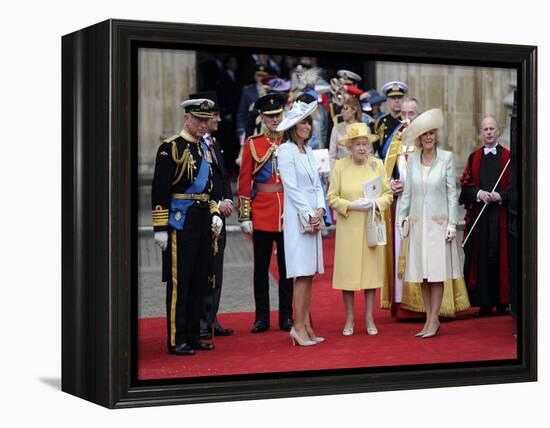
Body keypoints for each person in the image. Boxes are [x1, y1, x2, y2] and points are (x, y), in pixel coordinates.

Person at [151, 97, 223, 355]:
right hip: (180, 222)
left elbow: (211, 188)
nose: (204, 125)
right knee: (180, 281)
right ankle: (176, 338)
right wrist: (159, 228)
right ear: (187, 119)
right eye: (199, 120)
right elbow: (159, 191)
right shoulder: (169, 148)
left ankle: (193, 335)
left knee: (200, 281)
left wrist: (215, 213)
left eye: (206, 120)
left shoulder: (204, 150)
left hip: (203, 218)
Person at [398, 109, 465, 338]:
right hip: (417, 224)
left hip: (438, 225)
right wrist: (401, 219)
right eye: (424, 134)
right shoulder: (413, 159)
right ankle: (428, 318)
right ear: (419, 137)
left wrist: (451, 224)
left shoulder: (446, 158)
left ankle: (434, 319)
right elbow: (407, 193)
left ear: (435, 136)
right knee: (423, 274)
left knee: (436, 273)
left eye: (431, 134)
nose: (428, 137)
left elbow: (452, 194)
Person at [327, 123, 393, 336]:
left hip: (370, 225)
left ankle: (369, 319)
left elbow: (388, 194)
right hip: (348, 227)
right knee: (348, 275)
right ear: (349, 147)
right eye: (358, 145)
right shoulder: (340, 166)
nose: (362, 148)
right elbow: (331, 197)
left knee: (370, 276)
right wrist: (350, 205)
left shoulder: (377, 165)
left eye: (365, 144)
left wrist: (374, 204)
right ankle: (349, 320)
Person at [237, 92, 294, 333]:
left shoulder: (290, 141)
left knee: (286, 269)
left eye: (277, 115)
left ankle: (286, 316)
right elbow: (244, 180)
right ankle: (261, 317)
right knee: (261, 268)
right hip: (261, 212)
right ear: (261, 117)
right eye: (269, 116)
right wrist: (245, 215)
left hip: (287, 212)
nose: (274, 119)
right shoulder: (252, 143)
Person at [276, 100, 326, 346]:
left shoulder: (309, 151)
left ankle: (306, 324)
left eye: (309, 122)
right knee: (300, 273)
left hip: (311, 218)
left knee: (309, 274)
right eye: (303, 122)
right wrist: (309, 213)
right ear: (293, 126)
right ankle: (297, 326)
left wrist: (320, 209)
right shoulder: (286, 150)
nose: (307, 126)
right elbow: (291, 187)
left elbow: (317, 185)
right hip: (298, 219)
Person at [188, 92, 235, 340]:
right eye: (215, 114)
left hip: (220, 215)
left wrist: (227, 201)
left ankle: (210, 317)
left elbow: (223, 177)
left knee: (216, 268)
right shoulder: (193, 144)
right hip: (204, 215)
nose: (218, 119)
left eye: (216, 114)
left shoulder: (214, 142)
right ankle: (201, 321)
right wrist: (216, 205)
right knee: (205, 269)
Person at [459, 116, 510, 317]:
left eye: (492, 128)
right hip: (480, 219)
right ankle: (484, 303)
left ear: (498, 131)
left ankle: (502, 302)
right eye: (485, 129)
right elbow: (465, 187)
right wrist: (479, 194)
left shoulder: (508, 158)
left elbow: (516, 189)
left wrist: (500, 196)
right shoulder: (474, 158)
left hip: (500, 217)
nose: (488, 132)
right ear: (480, 133)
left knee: (500, 257)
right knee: (480, 259)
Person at [328, 96, 363, 172]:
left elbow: (369, 154)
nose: (342, 111)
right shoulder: (336, 129)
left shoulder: (364, 128)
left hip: (361, 172)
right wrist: (333, 177)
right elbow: (332, 156)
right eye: (342, 108)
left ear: (354, 110)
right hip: (342, 173)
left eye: (346, 108)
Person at [374, 81, 408, 160]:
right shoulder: (381, 121)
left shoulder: (408, 120)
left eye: (399, 97)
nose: (396, 101)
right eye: (393, 98)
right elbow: (376, 147)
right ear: (388, 100)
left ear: (403, 99)